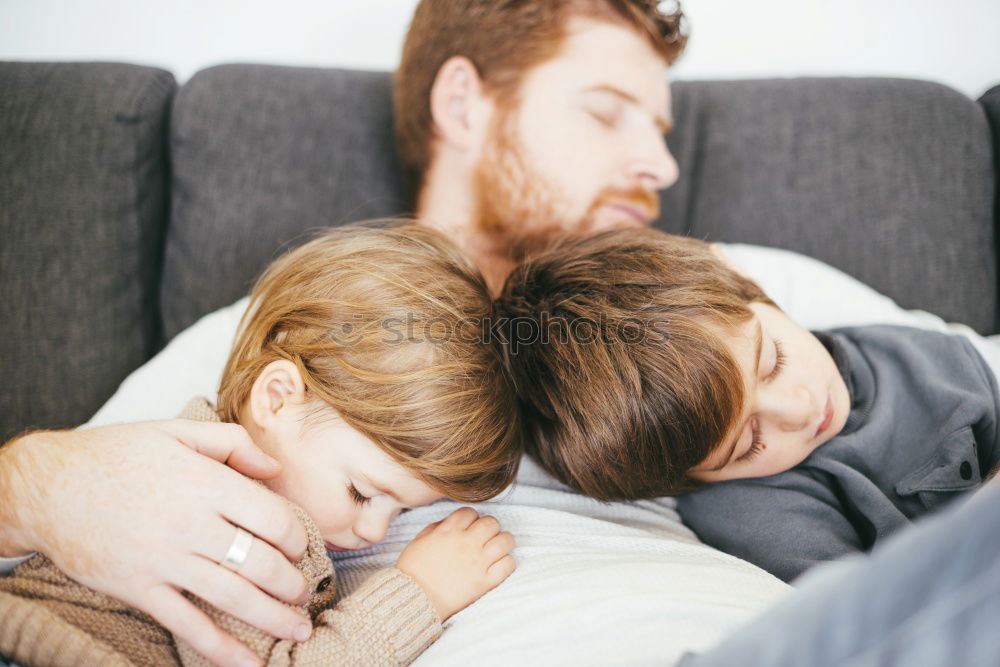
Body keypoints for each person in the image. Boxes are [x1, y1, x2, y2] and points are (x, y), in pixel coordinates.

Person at [0, 2, 689, 663]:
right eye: (605, 113)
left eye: (662, 129)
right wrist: (29, 482)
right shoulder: (260, 342)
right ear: (462, 104)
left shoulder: (729, 299)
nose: (663, 167)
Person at [0, 222, 520, 666]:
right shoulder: (225, 512)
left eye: (402, 510)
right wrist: (418, 595)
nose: (373, 531)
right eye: (362, 493)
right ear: (277, 398)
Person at [494, 228, 1000, 583]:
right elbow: (878, 619)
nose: (799, 409)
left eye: (773, 361)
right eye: (750, 443)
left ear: (745, 280)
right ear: (690, 482)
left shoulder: (900, 348)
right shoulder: (763, 518)